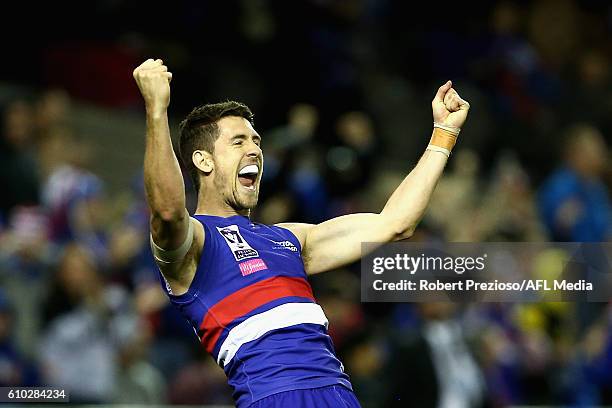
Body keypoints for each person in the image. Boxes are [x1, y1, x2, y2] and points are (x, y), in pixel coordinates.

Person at [132, 58, 470, 408]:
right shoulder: (194, 244)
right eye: (238, 142)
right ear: (204, 161)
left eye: (256, 140)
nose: (255, 150)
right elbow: (169, 211)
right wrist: (157, 111)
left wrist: (444, 134)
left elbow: (394, 223)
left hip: (340, 395)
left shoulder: (290, 239)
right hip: (276, 397)